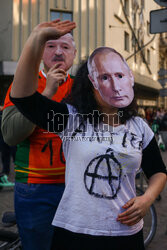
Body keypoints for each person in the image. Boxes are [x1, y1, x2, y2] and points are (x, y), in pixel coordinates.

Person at [9, 20, 166, 250]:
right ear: (89, 84)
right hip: (74, 233)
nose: (114, 84)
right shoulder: (71, 119)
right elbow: (23, 97)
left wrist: (147, 199)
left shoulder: (139, 126)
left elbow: (159, 172)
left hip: (126, 235)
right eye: (103, 77)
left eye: (119, 75)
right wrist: (36, 38)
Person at [1, 22, 76, 250]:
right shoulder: (24, 84)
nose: (59, 51)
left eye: (65, 46)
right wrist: (46, 94)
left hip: (75, 188)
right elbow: (11, 135)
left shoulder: (84, 90)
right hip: (35, 188)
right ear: (41, 52)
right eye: (51, 45)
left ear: (74, 54)